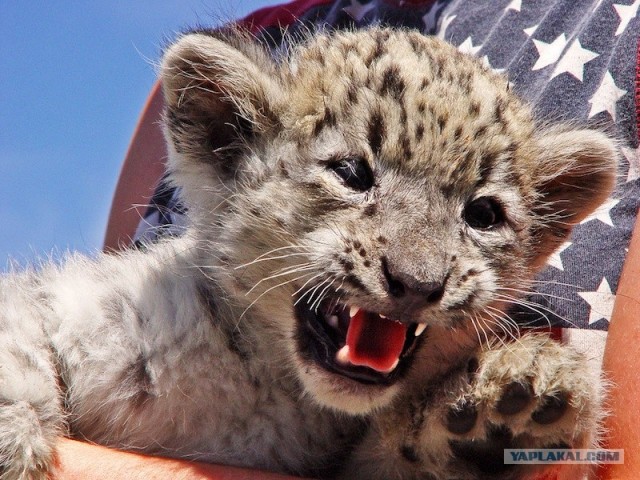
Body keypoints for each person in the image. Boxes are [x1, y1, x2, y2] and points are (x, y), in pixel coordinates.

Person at [64, 0, 640, 479]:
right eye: (354, 175)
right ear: (223, 142)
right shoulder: (260, 38)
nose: (418, 272)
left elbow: (618, 462)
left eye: (484, 213)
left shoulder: (618, 30)